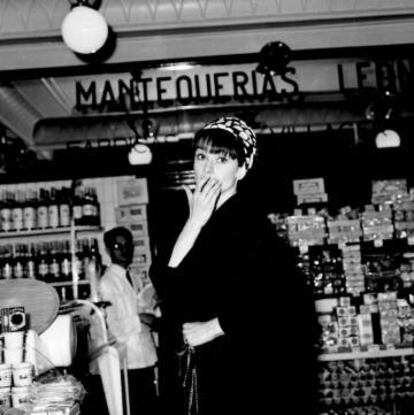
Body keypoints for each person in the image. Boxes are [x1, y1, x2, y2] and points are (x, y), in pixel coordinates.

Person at [150, 116, 319, 415]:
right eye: (201, 156)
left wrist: (216, 326)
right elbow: (165, 282)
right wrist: (195, 221)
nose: (208, 167)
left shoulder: (249, 224)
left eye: (221, 159)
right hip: (200, 368)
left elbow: (285, 300)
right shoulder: (188, 218)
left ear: (241, 169)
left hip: (242, 368)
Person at [98, 226, 159, 415]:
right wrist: (141, 317)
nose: (124, 250)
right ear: (108, 250)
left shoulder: (133, 277)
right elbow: (113, 328)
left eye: (127, 245)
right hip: (126, 363)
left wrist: (153, 308)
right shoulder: (106, 283)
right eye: (117, 246)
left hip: (146, 357)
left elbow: (141, 309)